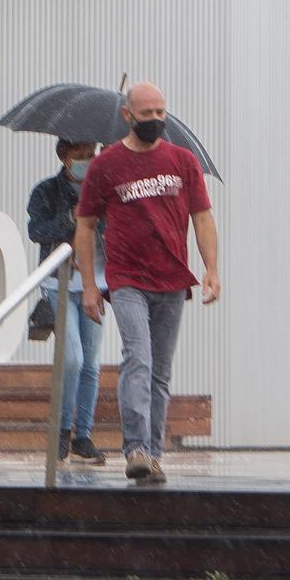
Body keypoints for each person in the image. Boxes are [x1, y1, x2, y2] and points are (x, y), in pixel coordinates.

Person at [74, 82, 220, 484]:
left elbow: (202, 217)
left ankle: (153, 454)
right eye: (147, 114)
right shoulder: (106, 166)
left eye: (161, 113)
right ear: (127, 114)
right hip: (127, 279)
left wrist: (211, 268)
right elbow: (84, 227)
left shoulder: (183, 161)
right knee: (138, 356)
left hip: (171, 277)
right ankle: (135, 447)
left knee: (160, 370)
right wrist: (90, 285)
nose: (155, 120)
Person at [26, 139, 108, 465]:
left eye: (92, 155)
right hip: (57, 283)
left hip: (95, 283)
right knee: (71, 357)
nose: (87, 162)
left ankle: (83, 435)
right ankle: (62, 429)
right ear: (64, 157)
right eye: (80, 156)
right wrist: (71, 219)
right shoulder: (45, 191)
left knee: (91, 362)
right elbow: (37, 230)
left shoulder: (104, 191)